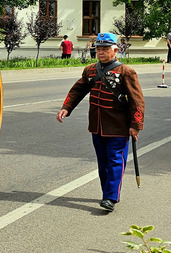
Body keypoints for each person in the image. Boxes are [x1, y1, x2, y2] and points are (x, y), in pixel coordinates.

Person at [56, 32, 146, 212]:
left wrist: (135, 126)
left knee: (115, 161)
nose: (101, 52)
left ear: (115, 50)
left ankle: (110, 197)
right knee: (103, 162)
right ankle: (108, 192)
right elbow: (78, 90)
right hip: (96, 125)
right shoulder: (90, 70)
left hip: (118, 126)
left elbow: (137, 101)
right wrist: (67, 107)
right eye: (98, 49)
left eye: (105, 49)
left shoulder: (126, 72)